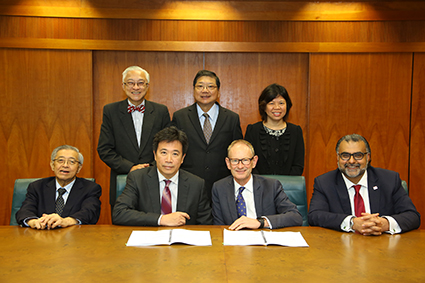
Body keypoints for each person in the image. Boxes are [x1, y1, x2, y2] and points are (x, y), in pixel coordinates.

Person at [308, 134, 420, 235]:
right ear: (338, 158)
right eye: (345, 155)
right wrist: (351, 222)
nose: (351, 161)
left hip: (383, 247)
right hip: (340, 249)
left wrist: (385, 224)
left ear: (368, 157)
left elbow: (413, 216)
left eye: (358, 155)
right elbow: (314, 216)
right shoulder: (325, 182)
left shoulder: (389, 180)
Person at [97, 66, 170, 210]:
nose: (136, 87)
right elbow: (104, 149)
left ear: (147, 86)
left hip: (155, 179)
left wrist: (148, 167)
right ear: (123, 86)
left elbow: (167, 146)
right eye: (130, 83)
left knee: (155, 227)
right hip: (123, 181)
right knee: (121, 229)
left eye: (141, 83)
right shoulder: (110, 111)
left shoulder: (160, 111)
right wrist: (130, 167)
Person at [112, 126, 212, 226]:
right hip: (150, 239)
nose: (169, 160)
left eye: (175, 154)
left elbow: (206, 224)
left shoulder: (196, 184)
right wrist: (161, 219)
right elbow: (119, 213)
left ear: (183, 158)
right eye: (164, 153)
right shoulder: (137, 178)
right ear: (155, 155)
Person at [172, 70, 243, 198]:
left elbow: (237, 151)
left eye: (210, 86)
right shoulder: (180, 117)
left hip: (223, 185)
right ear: (193, 90)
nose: (205, 90)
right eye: (200, 86)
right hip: (189, 183)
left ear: (218, 91)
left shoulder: (232, 118)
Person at [212, 140, 303, 230]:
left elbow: (295, 217)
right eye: (235, 160)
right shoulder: (219, 188)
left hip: (263, 240)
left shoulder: (271, 186)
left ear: (254, 161)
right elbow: (218, 227)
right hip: (232, 241)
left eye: (245, 160)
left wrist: (261, 222)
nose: (240, 166)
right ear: (228, 163)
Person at [16, 145, 102, 229]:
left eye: (71, 162)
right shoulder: (37, 187)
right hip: (42, 236)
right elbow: (24, 211)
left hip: (75, 238)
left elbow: (90, 212)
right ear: (52, 165)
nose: (65, 165)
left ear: (79, 168)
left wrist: (65, 221)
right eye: (60, 160)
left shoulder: (90, 188)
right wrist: (34, 222)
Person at [244, 83, 304, 175]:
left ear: (287, 106)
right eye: (271, 103)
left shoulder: (295, 131)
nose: (277, 107)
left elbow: (298, 166)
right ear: (264, 106)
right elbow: (248, 163)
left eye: (281, 103)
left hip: (288, 187)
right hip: (259, 186)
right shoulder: (253, 130)